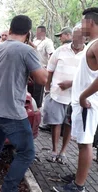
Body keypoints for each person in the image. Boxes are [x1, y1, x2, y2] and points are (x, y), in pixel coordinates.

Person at [0, 15, 47, 192]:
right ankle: (8, 188)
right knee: (27, 152)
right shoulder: (27, 51)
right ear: (28, 32)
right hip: (12, 113)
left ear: (10, 29)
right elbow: (42, 79)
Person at [53, 7, 98, 192]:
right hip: (82, 103)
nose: (80, 26)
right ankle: (80, 175)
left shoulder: (97, 44)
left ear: (91, 23)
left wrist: (83, 96)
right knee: (81, 143)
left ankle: (78, 187)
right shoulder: (92, 43)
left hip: (88, 104)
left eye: (83, 23)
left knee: (85, 144)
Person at [43, 25, 86, 165]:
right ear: (72, 36)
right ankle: (54, 150)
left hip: (75, 97)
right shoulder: (60, 50)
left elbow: (89, 77)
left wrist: (72, 83)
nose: (80, 38)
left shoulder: (88, 54)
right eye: (77, 35)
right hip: (57, 94)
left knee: (69, 124)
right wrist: (47, 89)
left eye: (83, 36)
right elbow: (50, 70)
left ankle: (63, 152)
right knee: (56, 123)